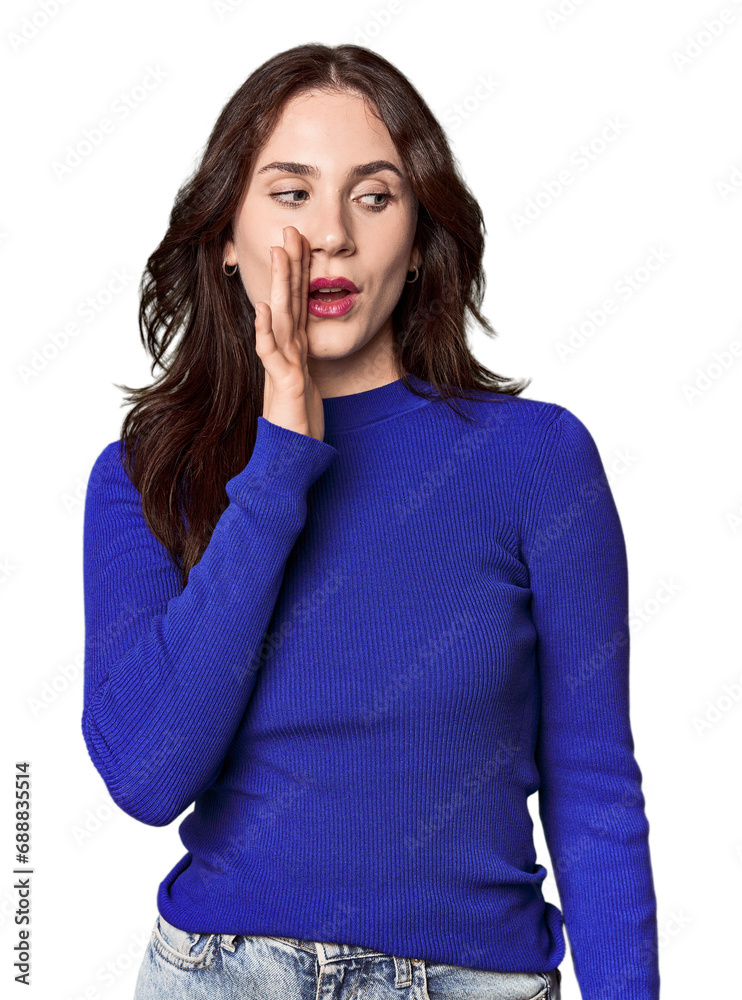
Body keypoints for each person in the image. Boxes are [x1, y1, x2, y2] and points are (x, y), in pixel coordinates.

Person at [81, 43, 660, 1000]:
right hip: (225, 976)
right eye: (292, 193)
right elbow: (146, 773)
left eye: (375, 195)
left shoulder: (536, 462)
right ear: (228, 232)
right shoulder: (148, 477)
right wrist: (277, 471)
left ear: (418, 231)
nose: (335, 236)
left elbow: (595, 790)